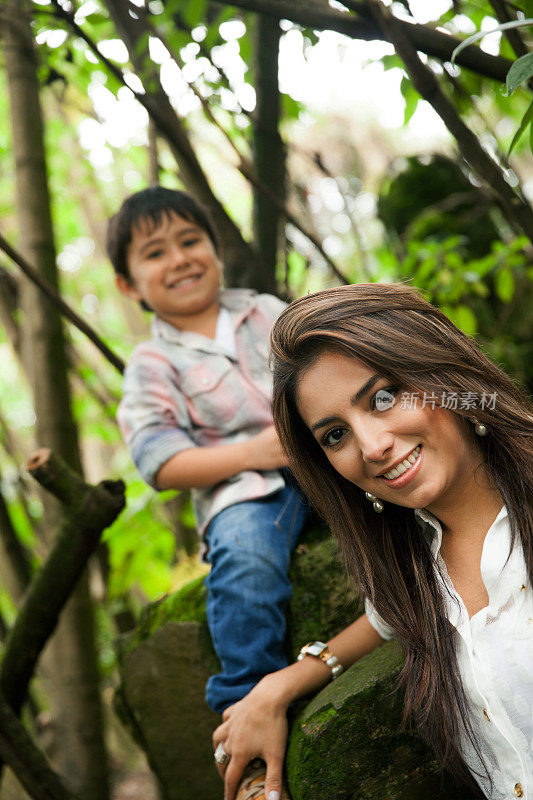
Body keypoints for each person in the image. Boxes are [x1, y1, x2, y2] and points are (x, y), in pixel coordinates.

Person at [213, 282, 533, 800]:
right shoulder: (414, 574)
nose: (373, 445)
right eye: (335, 435)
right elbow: (379, 622)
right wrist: (276, 689)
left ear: (441, 373)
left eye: (384, 397)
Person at [108, 186, 308, 720]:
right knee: (244, 564)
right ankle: (246, 709)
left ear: (215, 250)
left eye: (190, 240)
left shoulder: (267, 312)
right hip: (245, 498)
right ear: (128, 285)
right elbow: (161, 463)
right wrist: (255, 452)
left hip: (326, 461)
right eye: (155, 253)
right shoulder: (151, 363)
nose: (179, 259)